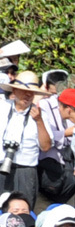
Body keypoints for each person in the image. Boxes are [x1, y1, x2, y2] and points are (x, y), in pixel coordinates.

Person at [0, 70, 52, 207]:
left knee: (24, 212)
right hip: (1, 166)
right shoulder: (2, 108)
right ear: (15, 91)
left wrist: (39, 121)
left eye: (31, 92)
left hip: (25, 171)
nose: (28, 95)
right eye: (24, 91)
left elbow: (46, 147)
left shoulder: (41, 115)